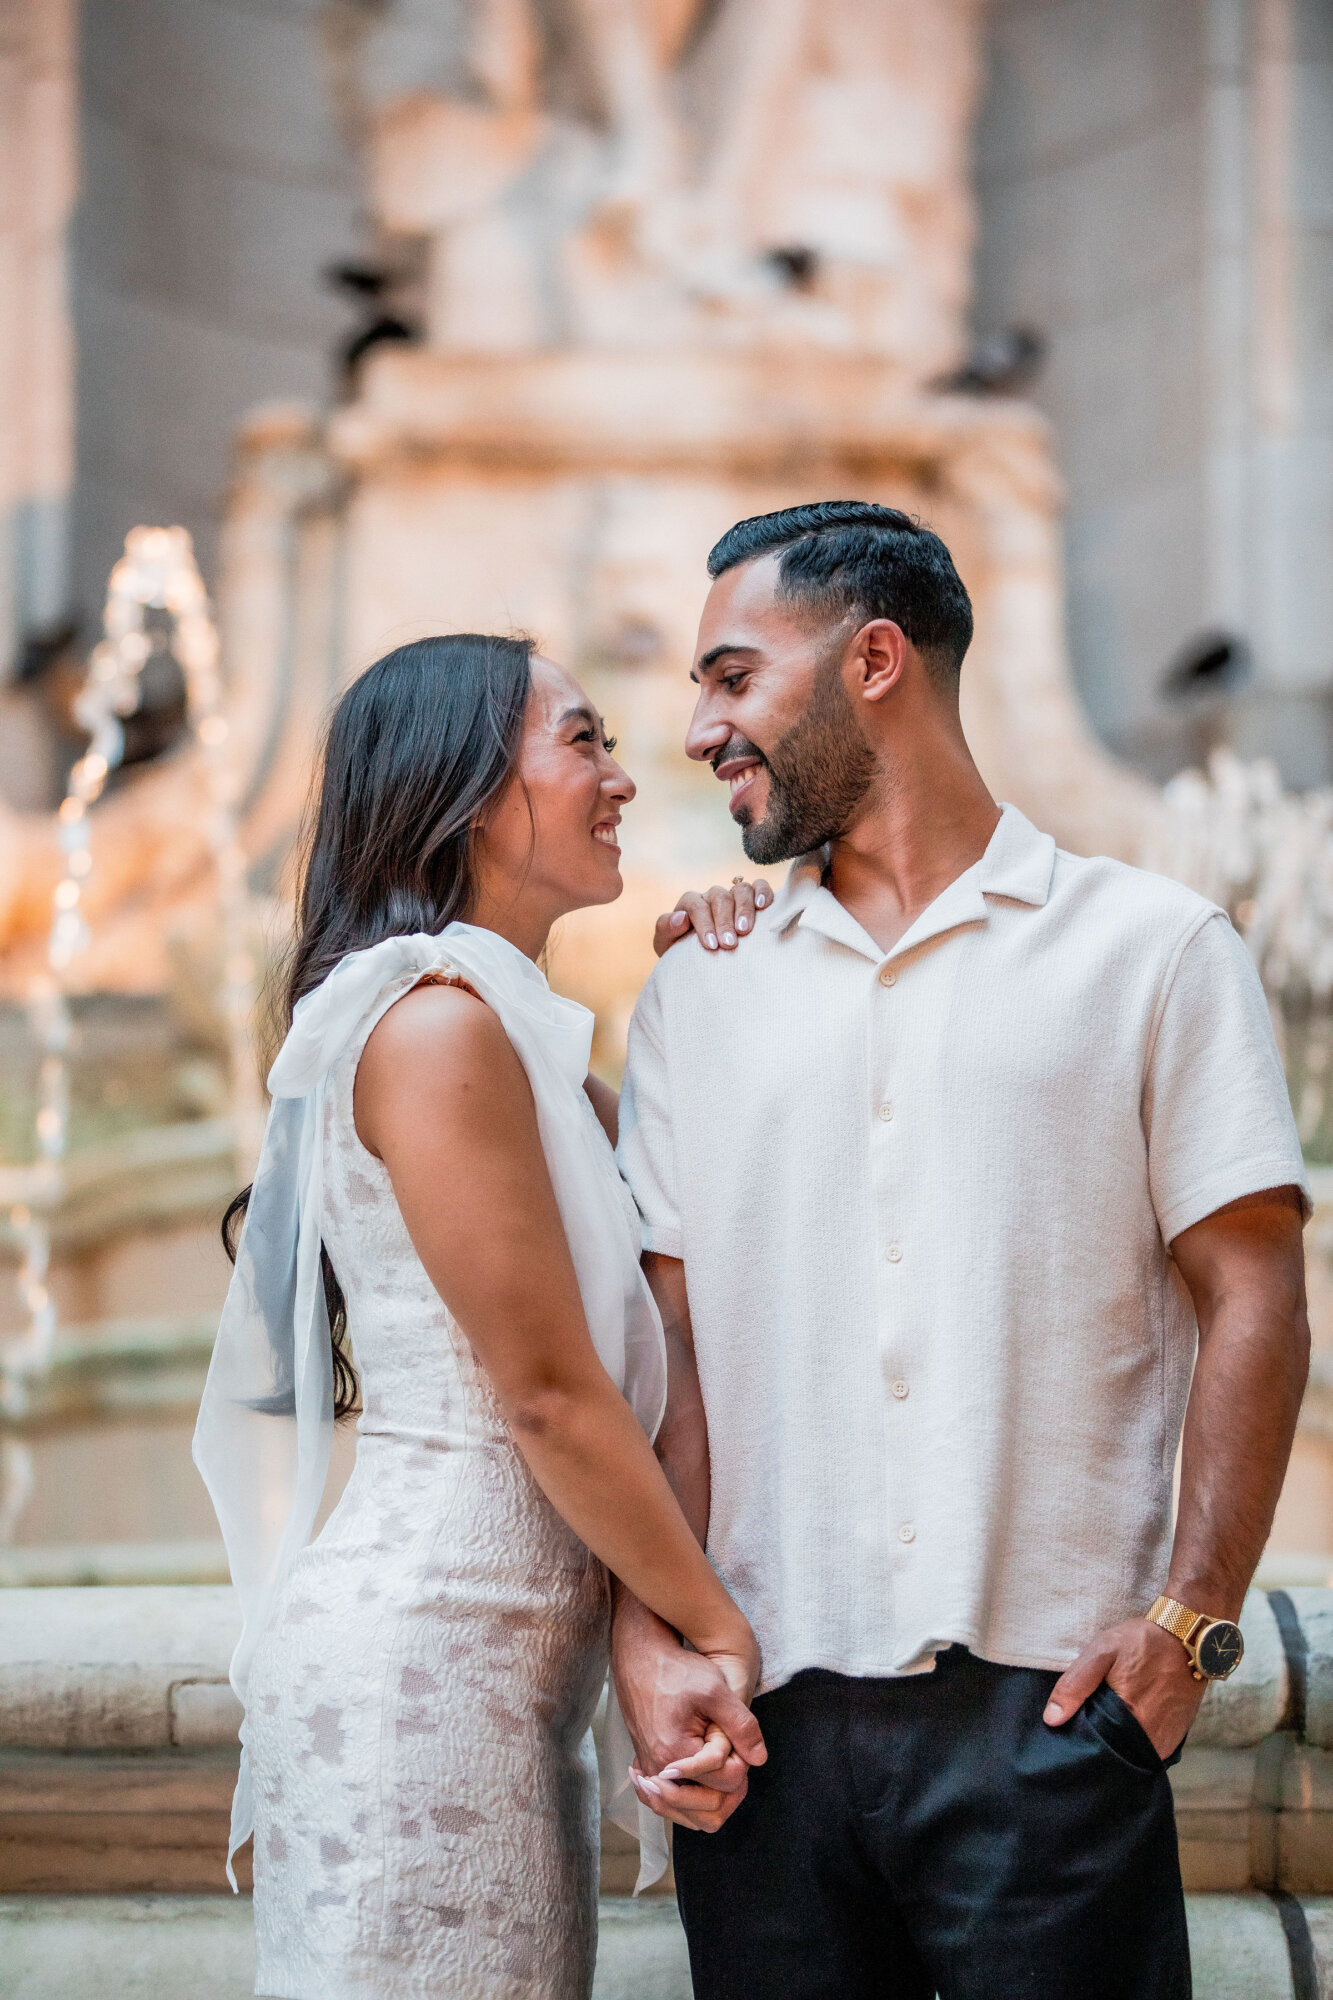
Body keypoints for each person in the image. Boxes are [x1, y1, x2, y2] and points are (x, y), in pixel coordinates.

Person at [611, 502, 1312, 2000]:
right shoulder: (696, 996)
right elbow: (666, 1364)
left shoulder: (1153, 947)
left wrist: (1187, 1624)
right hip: (762, 1730)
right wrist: (653, 1644)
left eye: (731, 679)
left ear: (873, 660)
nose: (695, 730)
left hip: (1051, 1719)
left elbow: (1253, 1288)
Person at [193, 633, 770, 2000]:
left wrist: (734, 966)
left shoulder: (515, 1030)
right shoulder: (433, 1027)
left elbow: (691, 1242)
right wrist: (712, 1631)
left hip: (495, 1676)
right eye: (583, 741)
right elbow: (548, 1394)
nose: (623, 778)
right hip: (425, 1664)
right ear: (461, 787)